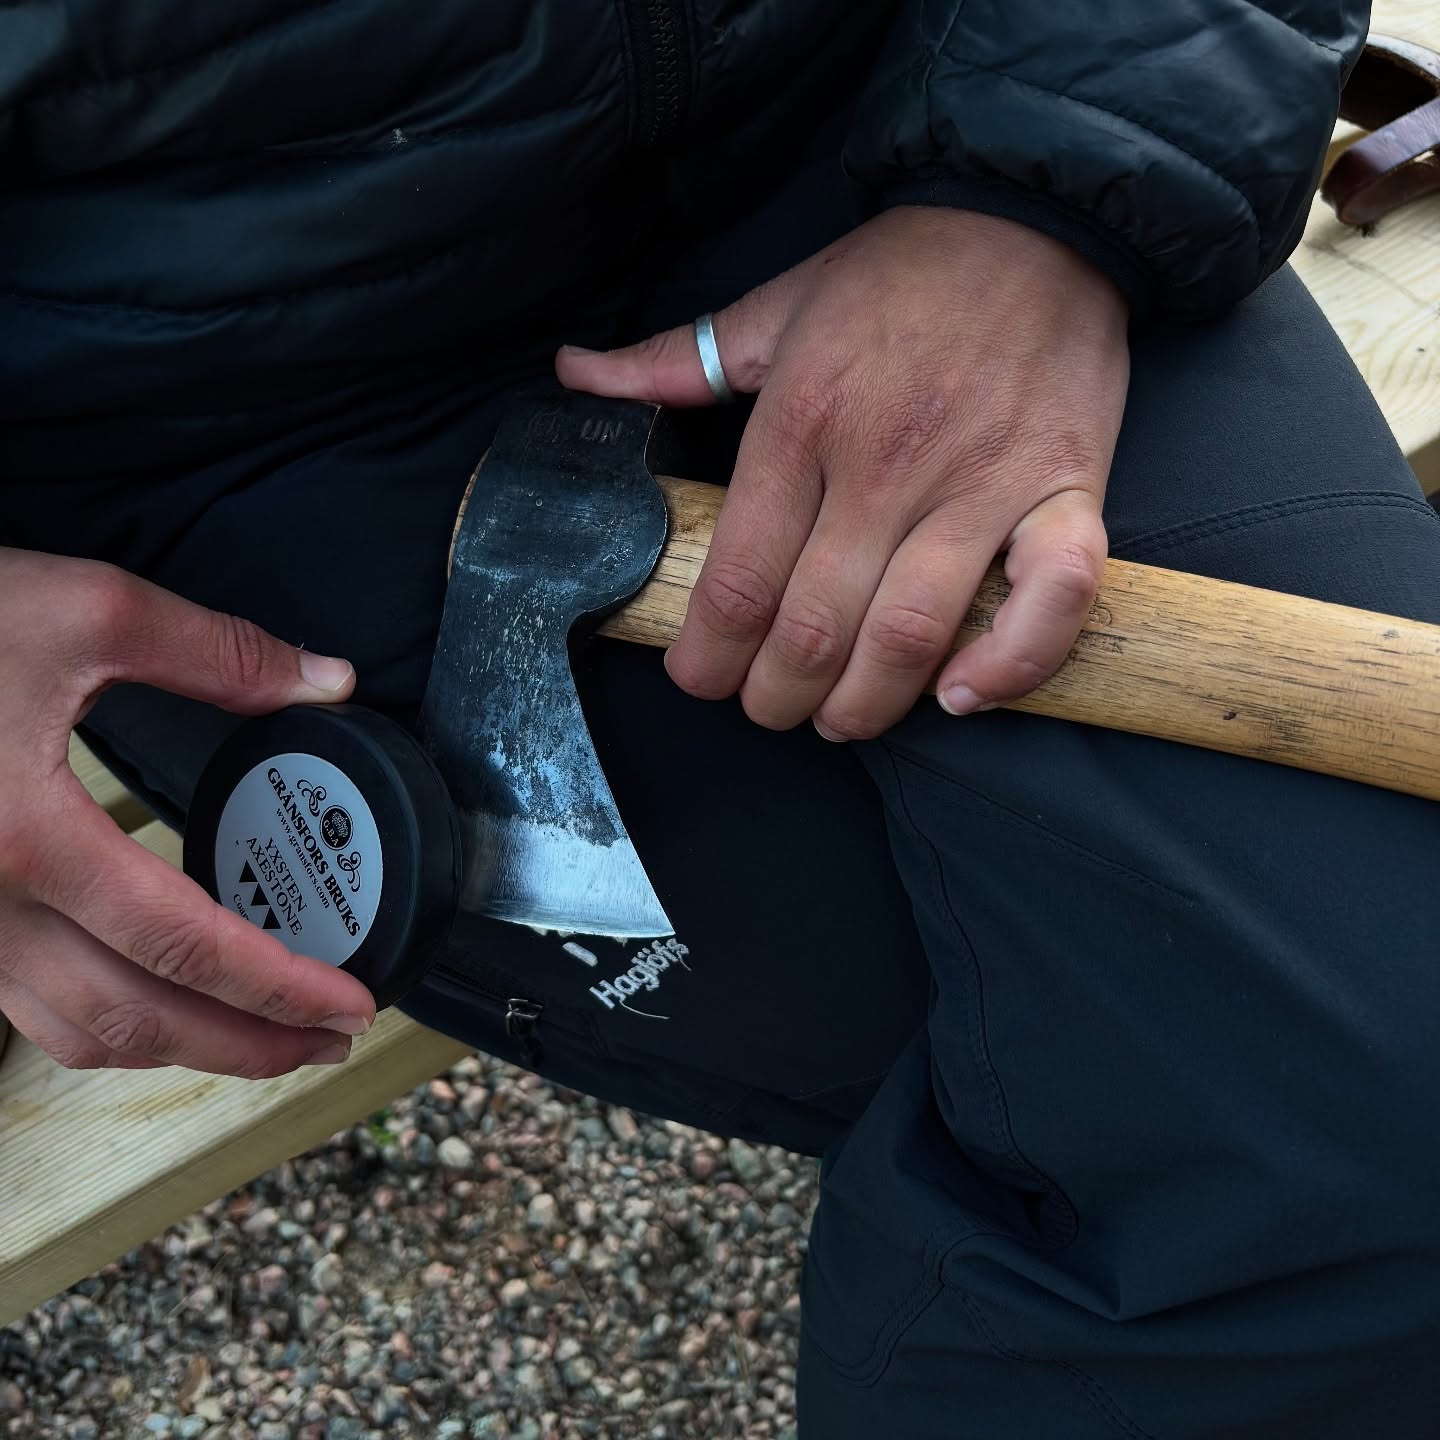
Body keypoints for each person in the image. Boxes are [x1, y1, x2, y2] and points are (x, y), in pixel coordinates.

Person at [3, 2, 1438, 1434]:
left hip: (932, 128)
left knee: (1328, 1088)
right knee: (1255, 1135)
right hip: (221, 405)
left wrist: (1046, 194)